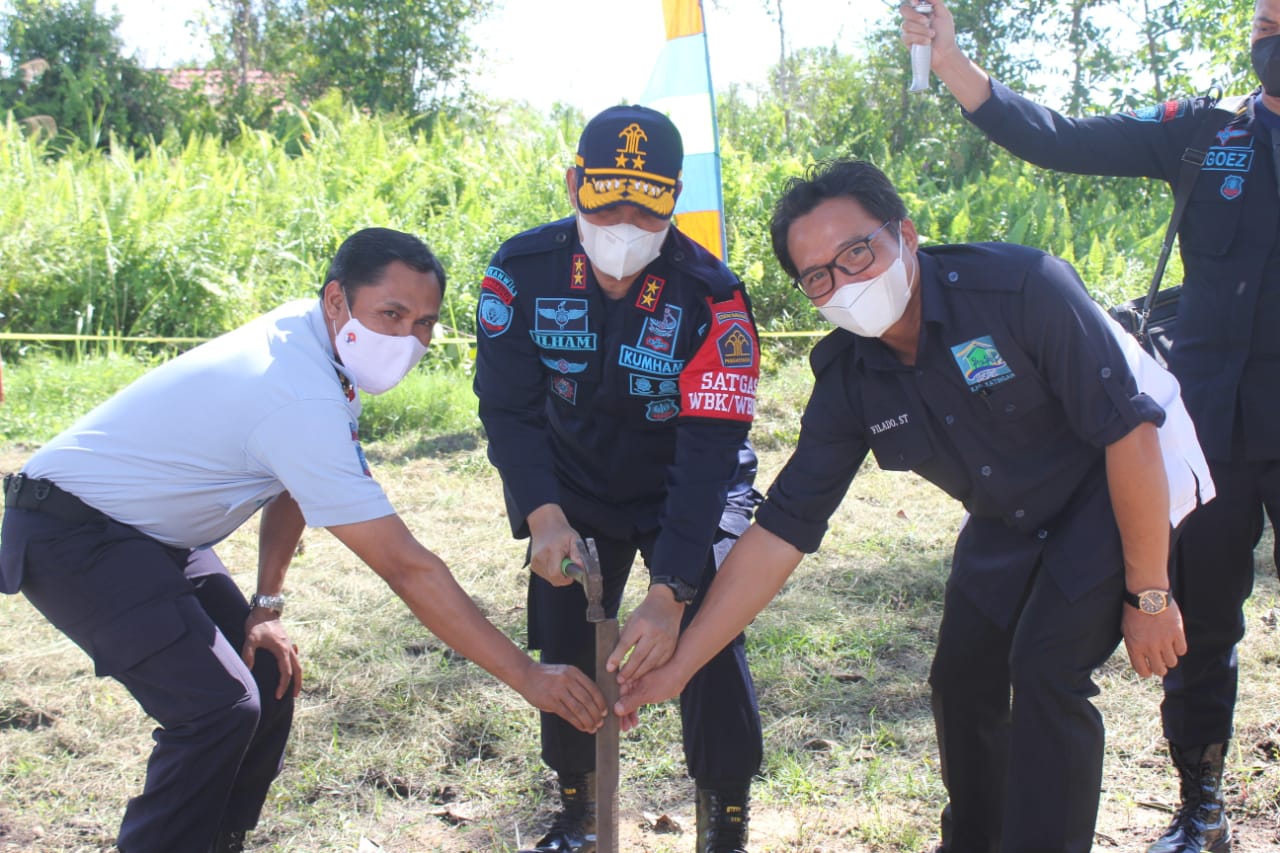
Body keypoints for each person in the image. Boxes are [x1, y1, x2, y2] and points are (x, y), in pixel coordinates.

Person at [611, 159, 1213, 853]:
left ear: (906, 233)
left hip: (1121, 480)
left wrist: (1149, 594)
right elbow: (783, 527)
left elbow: (1129, 432)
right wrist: (683, 664)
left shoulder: (1020, 287)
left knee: (1046, 668)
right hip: (1006, 510)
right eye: (818, 276)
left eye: (856, 252)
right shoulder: (850, 377)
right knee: (962, 679)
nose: (844, 282)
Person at [0, 227, 606, 853]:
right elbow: (408, 569)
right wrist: (527, 675)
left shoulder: (318, 346)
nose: (407, 339)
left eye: (424, 323)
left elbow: (292, 487)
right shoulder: (299, 390)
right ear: (337, 299)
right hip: (72, 534)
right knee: (215, 709)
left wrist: (266, 606)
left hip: (152, 535)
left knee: (266, 675)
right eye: (390, 314)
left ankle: (219, 839)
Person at [902, 2, 1279, 849]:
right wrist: (956, 67)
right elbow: (1061, 137)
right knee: (1205, 622)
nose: (1272, 28)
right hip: (1207, 432)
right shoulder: (1202, 132)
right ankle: (1202, 805)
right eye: (1263, 17)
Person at [474, 105, 764, 853]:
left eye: (649, 201)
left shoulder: (713, 294)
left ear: (676, 196)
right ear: (574, 184)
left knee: (707, 635)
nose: (626, 219)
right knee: (564, 633)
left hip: (690, 488)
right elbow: (508, 409)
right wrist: (542, 515)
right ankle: (578, 809)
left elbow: (709, 449)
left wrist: (669, 595)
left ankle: (724, 817)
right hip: (576, 488)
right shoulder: (520, 272)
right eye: (607, 196)